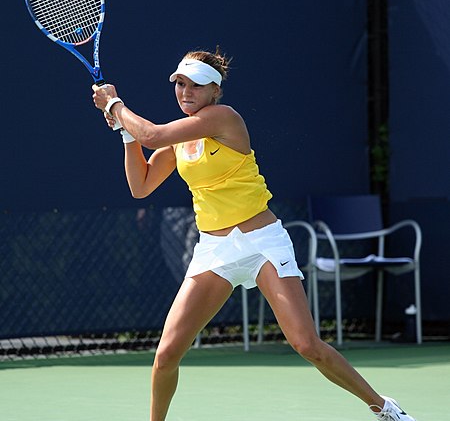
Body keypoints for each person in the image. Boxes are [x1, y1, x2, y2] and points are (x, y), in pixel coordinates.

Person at [92, 48, 417, 421]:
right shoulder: (180, 140)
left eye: (195, 85)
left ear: (214, 91)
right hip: (214, 251)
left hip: (262, 242)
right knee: (166, 355)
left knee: (307, 344)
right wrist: (125, 135)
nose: (185, 92)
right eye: (180, 83)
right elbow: (141, 185)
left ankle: (384, 408)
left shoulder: (223, 117)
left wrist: (116, 105)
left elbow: (150, 133)